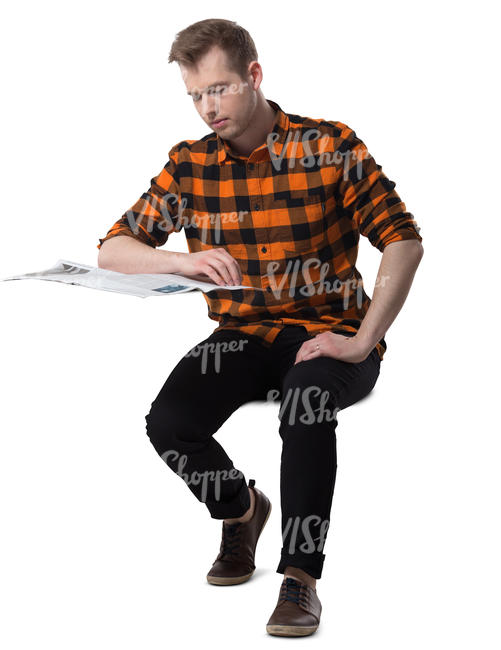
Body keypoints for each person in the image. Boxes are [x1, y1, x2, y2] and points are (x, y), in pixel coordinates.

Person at [97, 18, 423, 637]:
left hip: (325, 334)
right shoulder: (190, 166)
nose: (207, 107)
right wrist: (179, 259)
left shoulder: (329, 145)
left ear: (254, 75)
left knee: (304, 404)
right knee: (169, 423)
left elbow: (403, 243)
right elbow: (113, 248)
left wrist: (360, 341)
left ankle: (300, 578)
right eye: (195, 95)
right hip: (241, 337)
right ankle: (241, 509)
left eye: (219, 88)